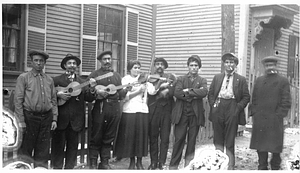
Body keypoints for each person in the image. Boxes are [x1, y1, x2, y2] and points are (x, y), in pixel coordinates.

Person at [14, 49, 58, 168]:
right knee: (26, 151)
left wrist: (54, 118)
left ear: (44, 63)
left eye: (41, 61)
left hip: (46, 118)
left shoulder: (49, 80)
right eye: (36, 60)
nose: (39, 63)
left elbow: (53, 100)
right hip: (30, 118)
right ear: (31, 62)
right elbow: (18, 101)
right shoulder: (24, 78)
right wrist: (21, 121)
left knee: (43, 151)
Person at [51, 54, 96, 169]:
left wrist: (91, 88)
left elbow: (89, 98)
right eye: (69, 63)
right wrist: (57, 94)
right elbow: (49, 96)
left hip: (75, 122)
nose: (72, 65)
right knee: (57, 149)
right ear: (65, 65)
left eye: (74, 63)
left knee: (72, 149)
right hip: (60, 120)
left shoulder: (82, 81)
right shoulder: (56, 80)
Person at [207, 53, 250, 170]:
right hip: (219, 107)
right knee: (218, 138)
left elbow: (246, 97)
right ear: (223, 64)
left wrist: (237, 108)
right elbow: (210, 94)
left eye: (232, 62)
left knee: (230, 139)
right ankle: (218, 163)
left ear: (235, 65)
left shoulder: (240, 79)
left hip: (232, 106)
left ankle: (230, 166)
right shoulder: (217, 77)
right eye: (227, 62)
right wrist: (213, 105)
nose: (229, 65)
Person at [87, 50, 129, 169]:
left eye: (109, 59)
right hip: (101, 108)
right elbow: (88, 95)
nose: (107, 61)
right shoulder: (94, 75)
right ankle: (93, 163)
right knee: (96, 136)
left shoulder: (116, 75)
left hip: (114, 108)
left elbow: (120, 95)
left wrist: (126, 89)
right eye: (105, 59)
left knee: (109, 136)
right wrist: (94, 90)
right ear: (100, 61)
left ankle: (104, 162)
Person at [249, 56, 291, 170]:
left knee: (275, 149)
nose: (270, 68)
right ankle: (262, 167)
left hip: (275, 120)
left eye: (272, 65)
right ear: (264, 67)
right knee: (261, 148)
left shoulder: (282, 81)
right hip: (260, 120)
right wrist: (255, 113)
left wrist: (279, 115)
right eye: (267, 66)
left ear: (276, 66)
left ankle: (275, 168)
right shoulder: (259, 80)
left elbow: (286, 100)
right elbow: (254, 99)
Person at [114, 60, 156, 170]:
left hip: (142, 110)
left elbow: (152, 92)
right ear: (129, 69)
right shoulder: (126, 80)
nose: (137, 70)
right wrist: (138, 91)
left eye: (139, 67)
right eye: (135, 68)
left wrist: (157, 83)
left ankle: (139, 162)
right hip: (129, 111)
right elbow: (125, 97)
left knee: (141, 138)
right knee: (131, 138)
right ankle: (132, 162)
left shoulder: (144, 80)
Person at [169, 55, 208, 170]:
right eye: (191, 65)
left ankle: (188, 167)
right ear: (188, 66)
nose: (194, 68)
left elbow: (204, 92)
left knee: (191, 142)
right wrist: (193, 94)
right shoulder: (181, 79)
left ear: (199, 67)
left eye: (196, 65)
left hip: (195, 116)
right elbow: (177, 93)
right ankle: (173, 166)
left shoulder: (202, 80)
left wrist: (188, 91)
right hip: (181, 114)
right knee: (179, 140)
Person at [147, 58, 176, 170]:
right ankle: (153, 162)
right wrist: (159, 88)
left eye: (162, 64)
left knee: (165, 137)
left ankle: (162, 162)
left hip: (167, 111)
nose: (159, 66)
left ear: (165, 66)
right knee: (153, 137)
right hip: (153, 110)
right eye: (157, 64)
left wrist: (167, 90)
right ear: (154, 66)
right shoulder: (150, 78)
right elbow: (150, 92)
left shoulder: (170, 77)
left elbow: (174, 90)